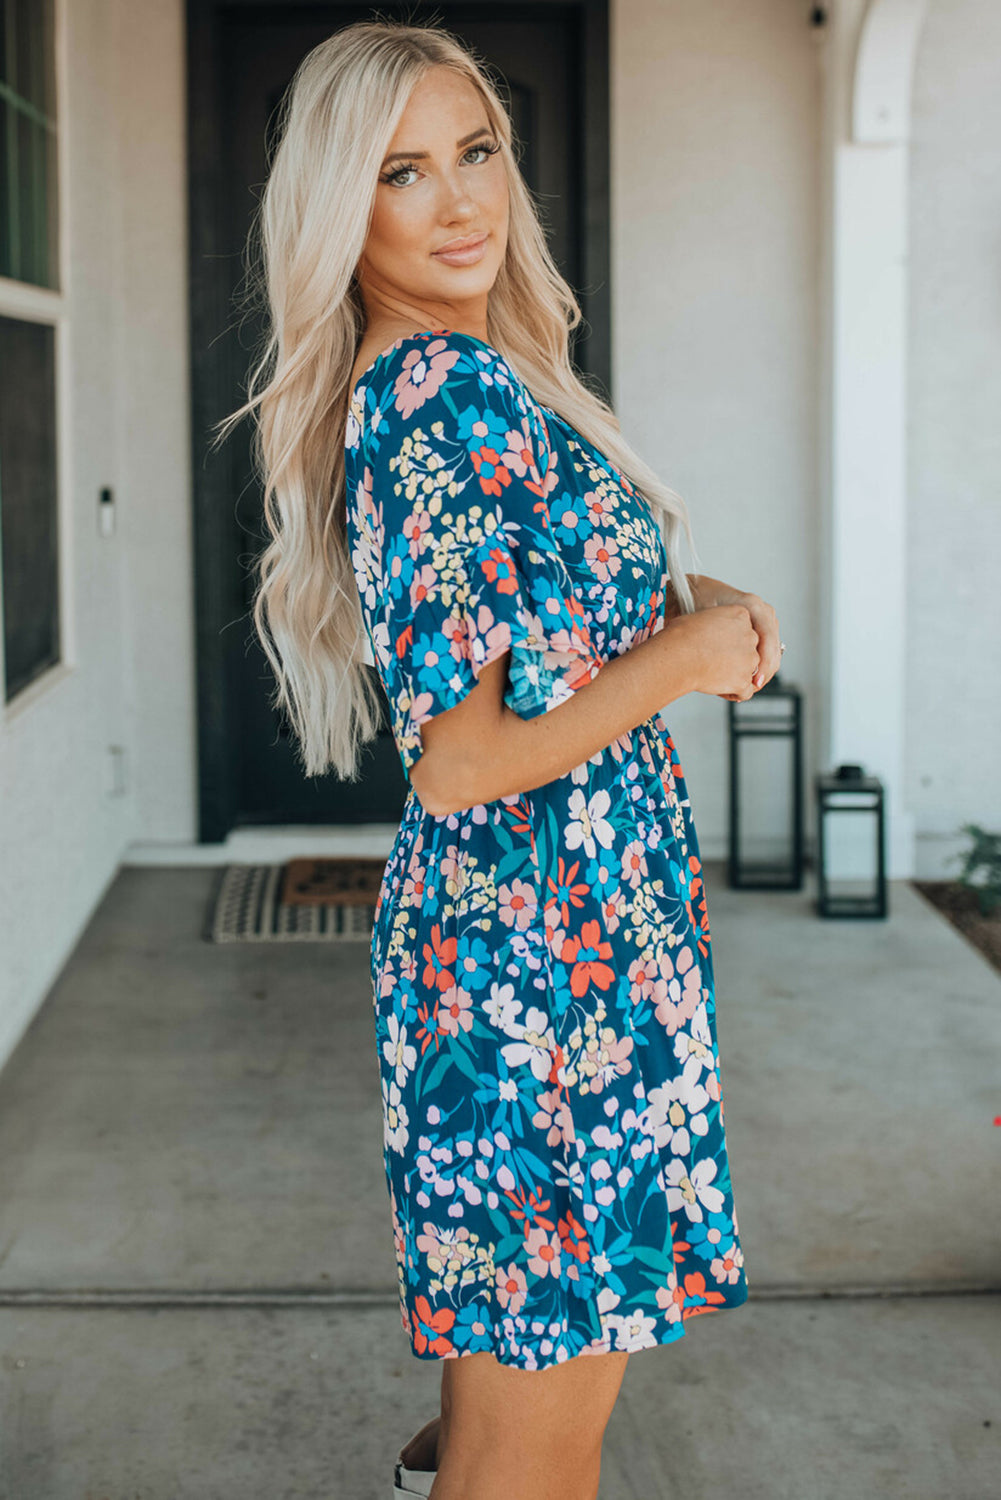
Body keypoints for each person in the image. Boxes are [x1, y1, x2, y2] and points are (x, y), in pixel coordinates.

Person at [217, 17, 783, 1500]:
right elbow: (461, 760)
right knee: (529, 1458)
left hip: (570, 956)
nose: (460, 201)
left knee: (523, 1434)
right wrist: (682, 664)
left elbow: (538, 641)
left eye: (475, 152)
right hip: (539, 973)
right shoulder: (436, 399)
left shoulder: (480, 376)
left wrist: (682, 608)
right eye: (403, 174)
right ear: (343, 212)